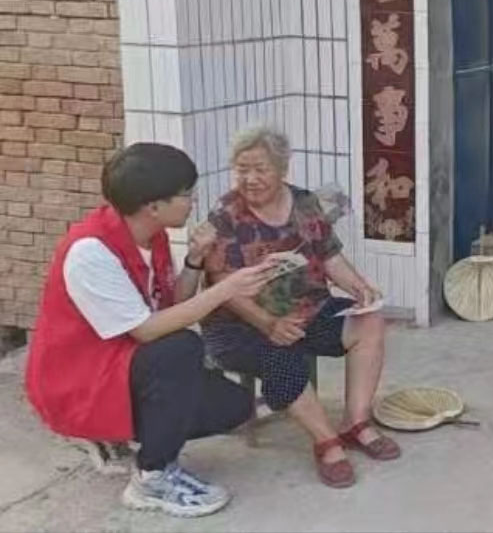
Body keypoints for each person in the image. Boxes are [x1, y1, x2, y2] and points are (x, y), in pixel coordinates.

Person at [25, 143, 278, 517]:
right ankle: (151, 478)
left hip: (125, 363)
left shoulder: (151, 233)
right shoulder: (90, 252)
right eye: (186, 194)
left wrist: (194, 260)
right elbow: (147, 330)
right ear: (153, 206)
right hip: (82, 380)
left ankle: (120, 435)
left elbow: (170, 307)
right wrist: (225, 290)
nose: (193, 201)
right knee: (180, 349)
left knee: (232, 407)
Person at [200, 126, 399, 489]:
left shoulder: (305, 203)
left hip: (307, 309)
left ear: (282, 169)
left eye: (260, 169)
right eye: (242, 170)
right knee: (282, 353)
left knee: (370, 321)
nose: (250, 179)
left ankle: (355, 422)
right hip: (241, 324)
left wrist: (358, 286)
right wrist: (268, 323)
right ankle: (326, 441)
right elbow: (221, 284)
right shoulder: (226, 213)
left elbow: (330, 256)